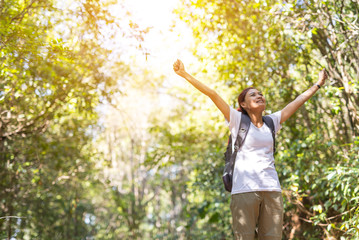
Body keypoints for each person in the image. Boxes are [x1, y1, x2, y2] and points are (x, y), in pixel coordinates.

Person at [172, 59, 328, 240]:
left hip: (272, 190)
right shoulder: (237, 120)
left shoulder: (272, 122)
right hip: (244, 191)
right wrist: (185, 74)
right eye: (253, 95)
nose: (259, 96)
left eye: (260, 94)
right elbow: (212, 94)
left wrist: (318, 84)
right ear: (244, 104)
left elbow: (297, 101)